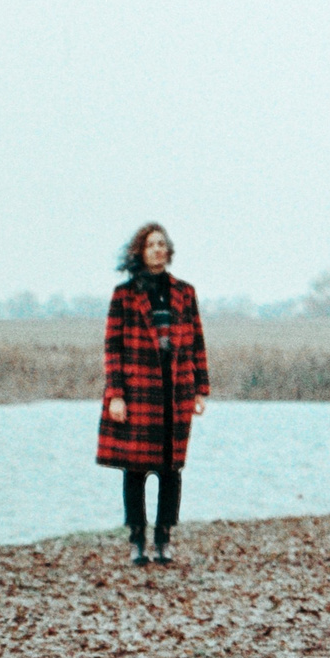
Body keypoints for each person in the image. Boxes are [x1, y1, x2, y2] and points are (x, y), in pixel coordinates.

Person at [97, 223, 210, 567]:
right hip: (137, 390)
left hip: (176, 390)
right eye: (151, 245)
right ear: (140, 252)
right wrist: (116, 394)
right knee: (134, 470)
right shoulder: (124, 294)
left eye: (163, 244)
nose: (158, 250)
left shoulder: (185, 293)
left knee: (171, 470)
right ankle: (136, 539)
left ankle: (163, 537)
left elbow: (197, 343)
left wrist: (201, 388)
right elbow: (112, 348)